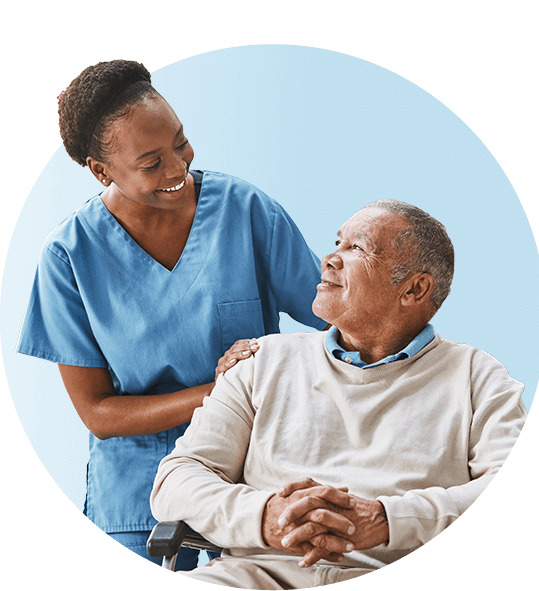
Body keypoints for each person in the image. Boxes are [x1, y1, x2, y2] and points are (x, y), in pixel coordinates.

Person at [16, 59, 327, 569]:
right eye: (152, 162)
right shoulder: (68, 258)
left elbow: (337, 317)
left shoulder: (243, 209)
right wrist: (224, 391)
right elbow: (98, 413)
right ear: (102, 170)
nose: (178, 169)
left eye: (180, 143)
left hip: (255, 476)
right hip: (139, 492)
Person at [151, 199, 527, 588]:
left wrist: (387, 520)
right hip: (252, 576)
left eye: (357, 248)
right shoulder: (261, 360)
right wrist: (264, 515)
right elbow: (177, 479)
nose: (330, 259)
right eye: (337, 243)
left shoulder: (479, 378)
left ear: (415, 289)